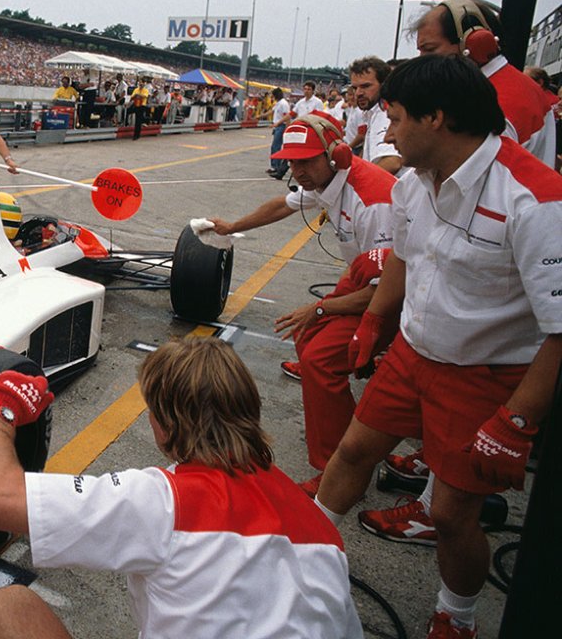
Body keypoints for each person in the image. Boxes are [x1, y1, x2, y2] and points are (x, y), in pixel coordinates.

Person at [313, 54, 562, 639]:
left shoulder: (536, 199)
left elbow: (560, 326)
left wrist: (517, 421)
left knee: (452, 515)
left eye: (396, 118)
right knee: (352, 455)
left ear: (438, 119)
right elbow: (403, 256)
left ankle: (458, 616)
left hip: (485, 374)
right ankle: (301, 550)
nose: (388, 132)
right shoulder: (411, 185)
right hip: (412, 353)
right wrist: (375, 322)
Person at [0, 337, 362, 639]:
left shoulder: (164, 502)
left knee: (7, 607)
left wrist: (3, 407)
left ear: (166, 426)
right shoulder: (321, 528)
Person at [209, 113, 396, 494]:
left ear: (336, 154)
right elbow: (282, 205)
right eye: (291, 161)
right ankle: (348, 438)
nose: (297, 170)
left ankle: (339, 471)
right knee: (309, 339)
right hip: (367, 276)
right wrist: (232, 227)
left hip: (398, 291)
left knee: (321, 357)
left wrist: (322, 308)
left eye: (305, 160)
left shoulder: (373, 200)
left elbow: (391, 289)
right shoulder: (327, 178)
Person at [414, 0, 557, 167]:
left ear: (473, 43)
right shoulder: (515, 86)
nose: (421, 60)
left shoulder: (494, 104)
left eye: (430, 49)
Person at [348, 56, 402, 175]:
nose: (358, 93)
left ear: (384, 84)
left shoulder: (384, 114)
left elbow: (392, 162)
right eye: (355, 88)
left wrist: (359, 186)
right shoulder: (373, 112)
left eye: (365, 86)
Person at [268, 87, 292, 178]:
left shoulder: (283, 103)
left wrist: (287, 128)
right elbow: (272, 111)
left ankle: (277, 166)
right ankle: (274, 165)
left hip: (281, 126)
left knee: (276, 146)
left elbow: (287, 116)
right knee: (274, 146)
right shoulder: (278, 103)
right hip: (277, 126)